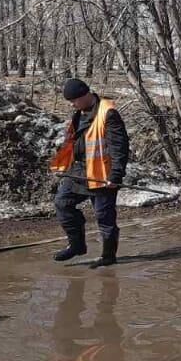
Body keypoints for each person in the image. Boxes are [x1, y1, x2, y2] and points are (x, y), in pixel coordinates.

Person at [50, 78, 130, 267]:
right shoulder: (78, 114)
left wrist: (116, 176)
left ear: (85, 95)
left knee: (104, 217)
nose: (72, 104)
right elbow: (72, 143)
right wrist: (62, 167)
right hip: (78, 171)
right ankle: (77, 244)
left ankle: (108, 256)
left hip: (102, 174)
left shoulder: (108, 114)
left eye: (74, 100)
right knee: (62, 203)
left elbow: (120, 148)